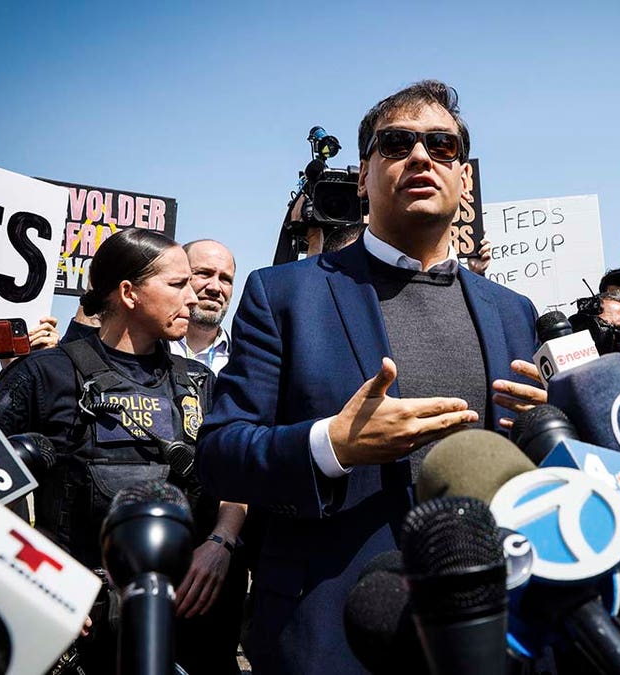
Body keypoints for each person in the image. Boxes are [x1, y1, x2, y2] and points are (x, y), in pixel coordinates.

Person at [196, 80, 539, 673]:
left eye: (442, 145)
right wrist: (331, 446)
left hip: (485, 630)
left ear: (462, 180)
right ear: (362, 177)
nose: (421, 156)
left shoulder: (514, 311)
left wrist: (541, 432)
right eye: (398, 142)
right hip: (329, 631)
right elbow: (221, 454)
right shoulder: (282, 294)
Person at [0, 229, 247, 674]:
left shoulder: (199, 382)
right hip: (80, 624)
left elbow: (238, 478)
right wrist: (39, 581)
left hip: (186, 618)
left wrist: (220, 545)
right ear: (128, 292)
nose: (193, 297)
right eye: (177, 284)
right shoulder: (45, 374)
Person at [171, 239, 235, 374]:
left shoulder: (243, 360)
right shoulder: (146, 347)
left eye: (225, 279)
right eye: (204, 273)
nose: (215, 288)